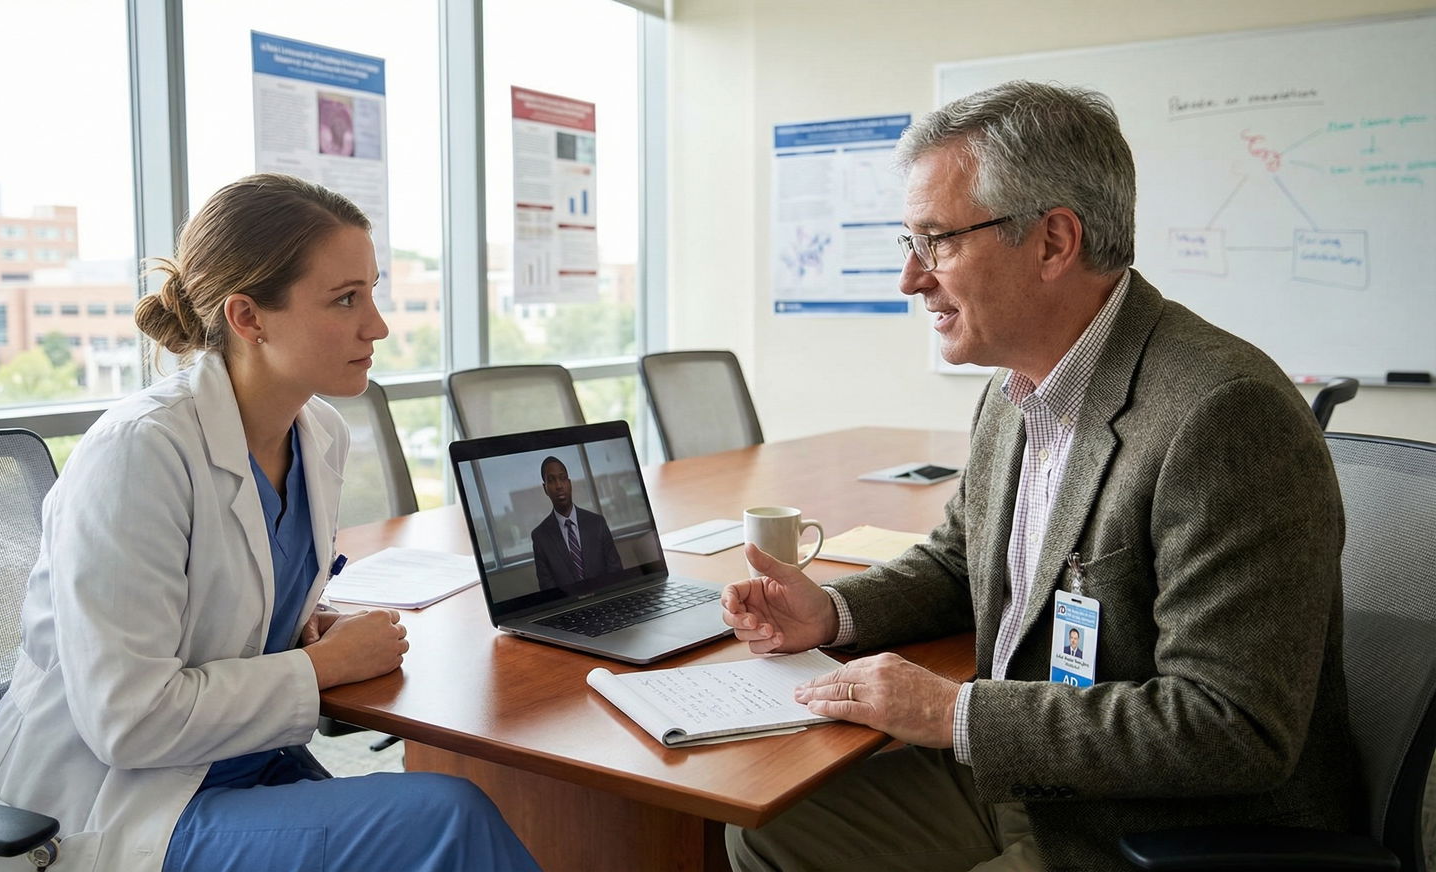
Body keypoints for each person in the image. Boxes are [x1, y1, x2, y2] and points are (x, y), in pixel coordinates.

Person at [721, 82, 1355, 871]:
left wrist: (955, 712)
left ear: (1054, 241)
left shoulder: (1222, 415)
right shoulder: (1016, 385)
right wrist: (834, 614)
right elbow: (958, 562)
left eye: (937, 241)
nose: (912, 279)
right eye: (907, 244)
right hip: (1033, 783)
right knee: (762, 831)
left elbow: (1231, 727)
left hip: (1152, 830)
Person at [0, 173, 539, 872]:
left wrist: (300, 625)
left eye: (374, 292)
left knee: (430, 816)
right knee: (447, 821)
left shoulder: (317, 433)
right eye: (346, 299)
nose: (377, 325)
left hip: (241, 767)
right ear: (248, 318)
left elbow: (235, 599)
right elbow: (128, 720)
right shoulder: (138, 453)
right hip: (117, 808)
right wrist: (317, 667)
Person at [530, 455, 623, 589]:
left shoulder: (597, 523)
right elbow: (548, 590)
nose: (559, 486)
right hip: (569, 606)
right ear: (545, 488)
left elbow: (617, 573)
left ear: (569, 483)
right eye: (552, 480)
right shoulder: (540, 537)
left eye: (562, 478)